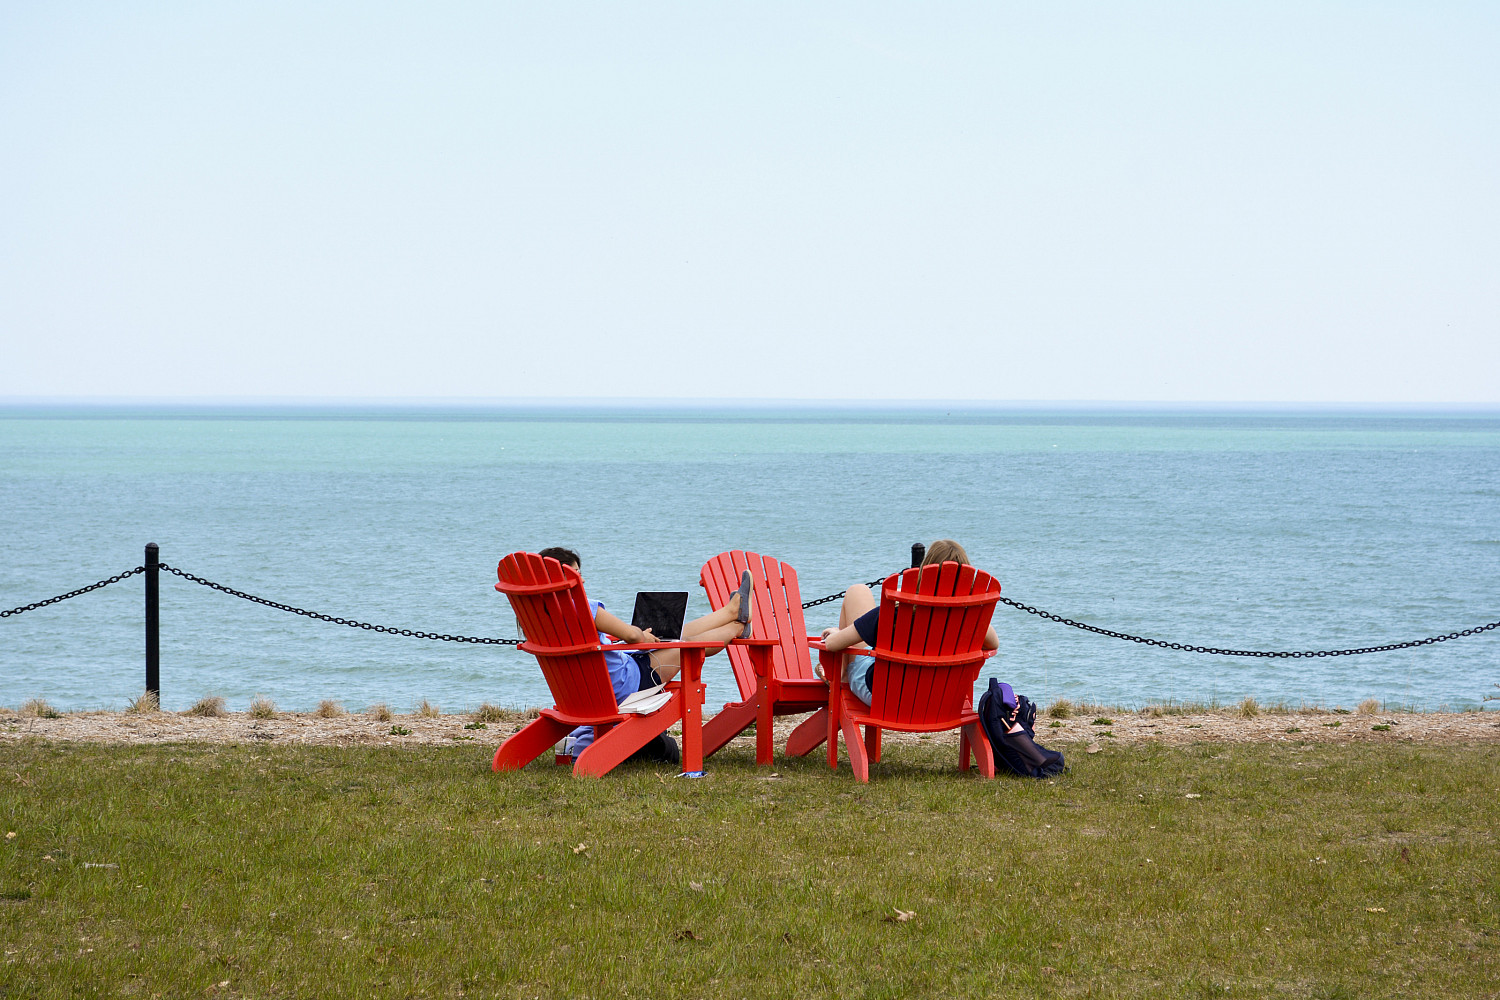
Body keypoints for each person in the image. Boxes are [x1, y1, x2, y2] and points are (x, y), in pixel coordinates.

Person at [537, 547, 752, 758]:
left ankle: (730, 612)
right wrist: (641, 637)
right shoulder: (585, 608)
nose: (582, 581)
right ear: (558, 579)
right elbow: (631, 635)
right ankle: (737, 627)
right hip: (623, 686)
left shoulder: (537, 617)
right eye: (576, 574)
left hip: (581, 694)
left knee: (672, 636)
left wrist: (639, 638)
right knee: (687, 645)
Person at [817, 539, 1000, 706]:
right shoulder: (970, 619)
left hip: (884, 696)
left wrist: (836, 633)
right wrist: (970, 610)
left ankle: (840, 678)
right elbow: (993, 643)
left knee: (858, 591)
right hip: (939, 700)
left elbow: (832, 645)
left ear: (924, 570)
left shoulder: (896, 611)